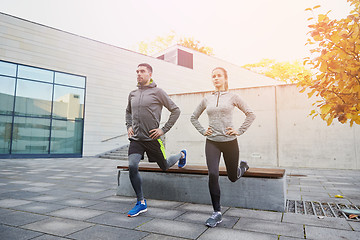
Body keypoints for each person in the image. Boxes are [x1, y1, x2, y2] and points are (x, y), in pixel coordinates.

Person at [190, 67, 256, 227]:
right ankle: (217, 212)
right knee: (213, 174)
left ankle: (242, 168)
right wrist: (203, 131)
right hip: (212, 141)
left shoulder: (233, 97)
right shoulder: (207, 99)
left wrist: (239, 131)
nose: (216, 78)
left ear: (225, 78)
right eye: (213, 76)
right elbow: (193, 117)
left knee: (232, 177)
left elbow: (251, 114)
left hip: (230, 142)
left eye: (219, 76)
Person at [125, 63, 187, 217]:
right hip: (136, 139)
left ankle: (181, 154)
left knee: (165, 166)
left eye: (142, 71)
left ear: (150, 74)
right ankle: (141, 202)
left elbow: (176, 110)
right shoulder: (132, 93)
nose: (138, 73)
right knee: (132, 165)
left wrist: (163, 129)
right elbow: (128, 111)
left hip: (153, 138)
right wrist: (128, 126)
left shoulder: (158, 92)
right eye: (137, 71)